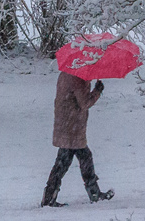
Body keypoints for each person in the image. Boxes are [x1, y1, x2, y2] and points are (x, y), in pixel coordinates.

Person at [42, 71, 114, 206]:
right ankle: (50, 198)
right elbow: (84, 103)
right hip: (72, 126)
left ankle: (50, 197)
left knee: (78, 158)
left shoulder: (67, 73)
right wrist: (97, 91)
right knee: (65, 162)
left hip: (67, 123)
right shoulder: (77, 77)